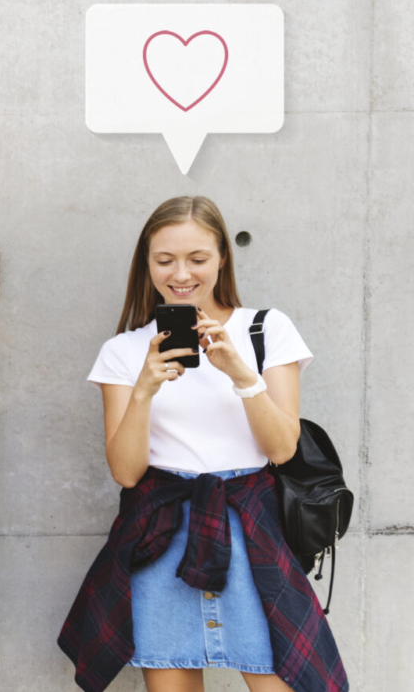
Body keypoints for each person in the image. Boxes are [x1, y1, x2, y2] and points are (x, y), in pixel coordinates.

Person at [61, 196, 347, 692]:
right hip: (161, 532)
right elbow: (127, 473)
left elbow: (281, 449)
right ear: (146, 262)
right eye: (165, 259)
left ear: (222, 259)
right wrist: (145, 389)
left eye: (197, 258)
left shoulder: (265, 330)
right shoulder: (124, 351)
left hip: (252, 525)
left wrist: (241, 374)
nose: (181, 274)